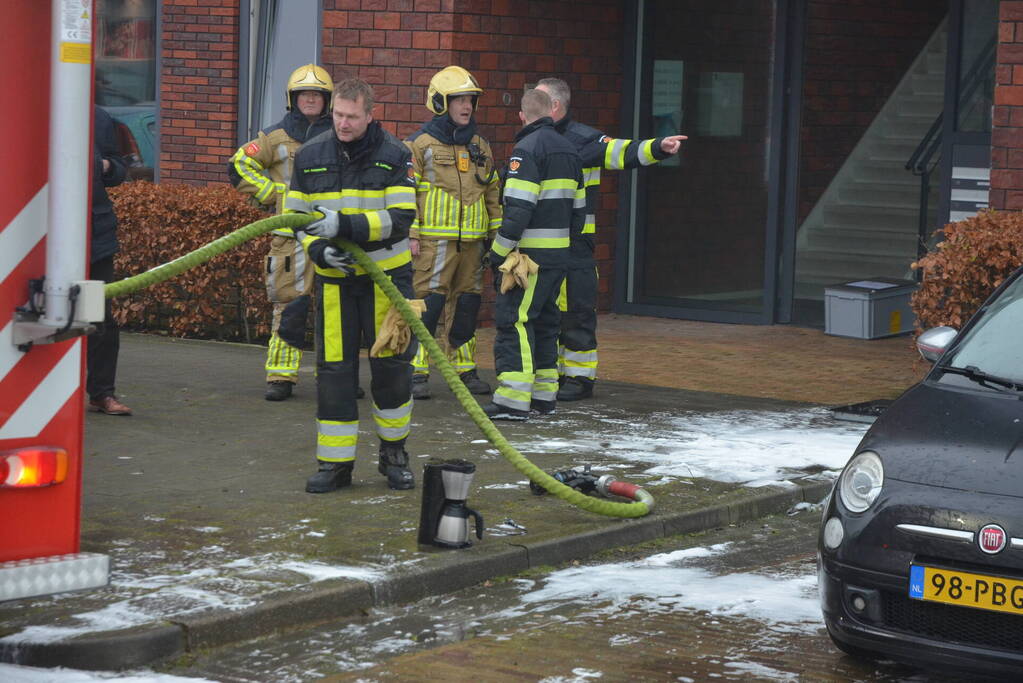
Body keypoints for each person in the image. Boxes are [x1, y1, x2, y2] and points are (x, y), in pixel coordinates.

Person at [284, 78, 418, 493]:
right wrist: (318, 249)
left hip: (387, 283)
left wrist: (343, 226)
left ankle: (394, 455)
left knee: (392, 372)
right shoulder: (310, 155)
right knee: (335, 374)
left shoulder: (395, 155)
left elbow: (400, 218)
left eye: (351, 117)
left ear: (369, 115)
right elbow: (295, 216)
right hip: (335, 283)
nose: (343, 123)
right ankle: (335, 465)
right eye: (338, 115)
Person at [535, 78, 686, 401]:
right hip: (542, 242)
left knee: (577, 310)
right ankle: (552, 374)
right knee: (546, 311)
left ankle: (579, 378)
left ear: (556, 106)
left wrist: (658, 147)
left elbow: (621, 151)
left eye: (538, 99)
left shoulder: (582, 139)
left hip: (576, 243)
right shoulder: (534, 138)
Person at [229, 64, 334, 402]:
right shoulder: (275, 138)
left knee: (334, 310)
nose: (310, 99)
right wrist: (273, 195)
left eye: (317, 94)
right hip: (290, 238)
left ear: (327, 100)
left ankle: (335, 374)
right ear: (293, 98)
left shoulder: (340, 135)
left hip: (332, 234)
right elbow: (239, 165)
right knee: (289, 306)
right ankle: (281, 377)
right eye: (304, 94)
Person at [483, 89, 585, 421]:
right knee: (545, 323)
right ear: (550, 113)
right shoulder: (571, 151)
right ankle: (544, 398)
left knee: (515, 322)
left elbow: (518, 212)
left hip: (528, 261)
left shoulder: (526, 150)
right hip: (559, 258)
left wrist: (496, 254)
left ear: (522, 117)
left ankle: (513, 401)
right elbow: (579, 212)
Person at [404, 66, 502, 400]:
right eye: (457, 99)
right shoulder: (419, 145)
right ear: (439, 102)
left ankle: (464, 369)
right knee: (426, 307)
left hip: (473, 244)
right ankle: (415, 371)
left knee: (466, 308)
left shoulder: (481, 145)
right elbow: (405, 194)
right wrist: (411, 234)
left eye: (470, 100)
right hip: (432, 244)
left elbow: (492, 191)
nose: (466, 107)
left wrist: (496, 235)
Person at [88, 106, 131, 416]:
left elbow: (119, 169)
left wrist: (103, 166)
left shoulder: (99, 118)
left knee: (100, 318)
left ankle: (102, 393)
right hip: (43, 237)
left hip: (95, 235)